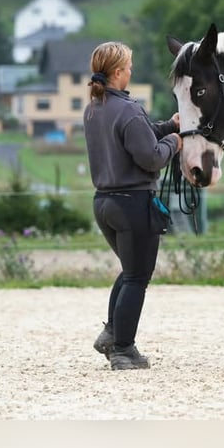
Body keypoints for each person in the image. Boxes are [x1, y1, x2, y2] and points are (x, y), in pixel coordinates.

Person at [83, 41, 182, 370]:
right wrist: (174, 142)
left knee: (129, 271)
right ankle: (123, 350)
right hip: (133, 203)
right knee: (138, 276)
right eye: (128, 66)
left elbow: (138, 136)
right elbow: (151, 157)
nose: (131, 70)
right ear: (117, 73)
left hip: (104, 203)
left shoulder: (94, 108)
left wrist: (167, 126)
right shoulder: (128, 109)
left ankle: (112, 333)